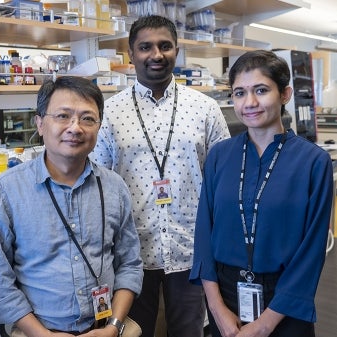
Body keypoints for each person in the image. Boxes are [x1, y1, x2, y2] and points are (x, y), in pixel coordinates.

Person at [91, 15, 231, 337]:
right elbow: (100, 184)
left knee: (188, 331)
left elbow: (222, 180)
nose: (156, 54)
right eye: (146, 47)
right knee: (135, 332)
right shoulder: (110, 113)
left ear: (176, 51)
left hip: (191, 250)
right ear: (131, 54)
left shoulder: (205, 109)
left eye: (165, 46)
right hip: (131, 254)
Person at [0, 76, 144, 337]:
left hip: (106, 327)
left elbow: (130, 265)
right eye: (63, 116)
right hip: (39, 330)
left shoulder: (115, 187)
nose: (75, 128)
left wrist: (113, 326)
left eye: (87, 118)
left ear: (98, 127)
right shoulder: (7, 190)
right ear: (40, 123)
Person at [190, 49, 334, 337]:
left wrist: (265, 324)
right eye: (240, 93)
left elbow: (312, 251)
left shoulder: (313, 162)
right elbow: (204, 234)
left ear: (285, 94)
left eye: (261, 90)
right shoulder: (220, 156)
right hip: (226, 299)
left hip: (285, 303)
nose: (250, 103)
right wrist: (217, 310)